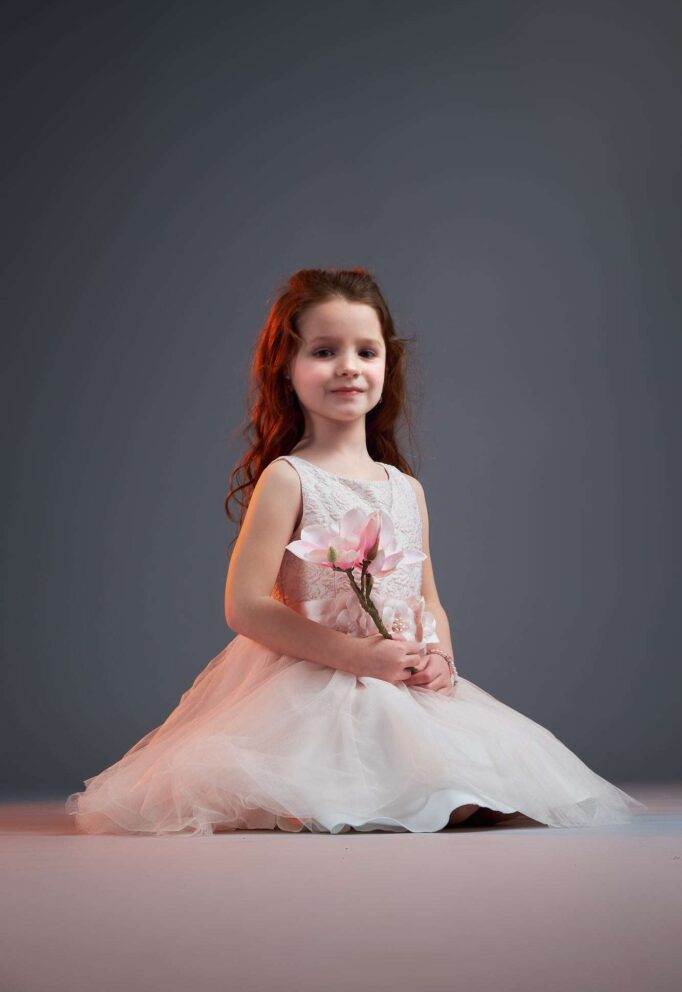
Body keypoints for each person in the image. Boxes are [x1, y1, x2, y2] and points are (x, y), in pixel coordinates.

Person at [65, 267, 647, 835]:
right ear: (286, 370)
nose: (349, 368)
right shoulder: (290, 478)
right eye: (323, 351)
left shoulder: (405, 488)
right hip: (314, 679)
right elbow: (245, 606)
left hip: (404, 679)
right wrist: (359, 658)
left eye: (366, 352)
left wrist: (440, 659)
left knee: (478, 787)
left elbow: (428, 599)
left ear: (387, 366)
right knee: (348, 788)